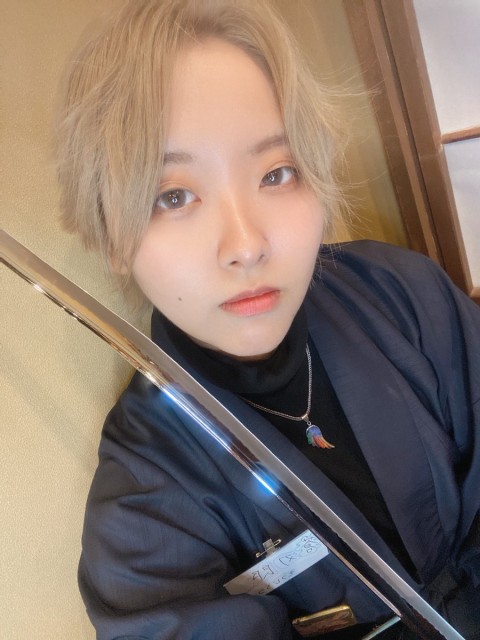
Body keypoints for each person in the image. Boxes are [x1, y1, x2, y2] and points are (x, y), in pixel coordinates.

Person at [55, 0, 480, 638]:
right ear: (111, 236)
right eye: (174, 195)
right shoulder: (145, 506)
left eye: (277, 173)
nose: (247, 245)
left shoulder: (404, 294)